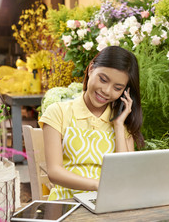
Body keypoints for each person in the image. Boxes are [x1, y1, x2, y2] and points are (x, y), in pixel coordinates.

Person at [38, 46, 144, 200]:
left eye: (118, 88)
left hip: (107, 203)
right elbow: (54, 172)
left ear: (125, 92)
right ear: (91, 69)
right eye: (103, 79)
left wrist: (119, 126)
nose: (107, 91)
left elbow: (124, 176)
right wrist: (98, 185)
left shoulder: (122, 123)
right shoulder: (58, 112)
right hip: (66, 203)